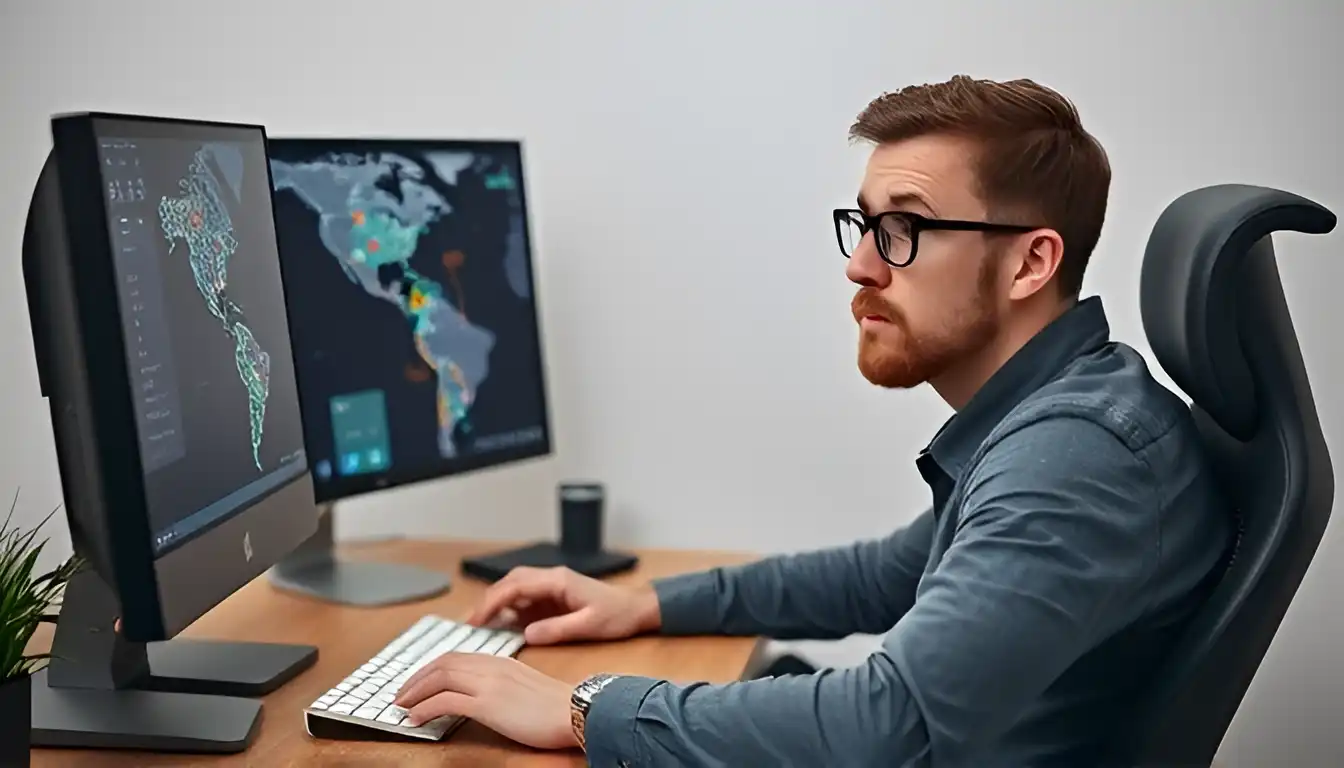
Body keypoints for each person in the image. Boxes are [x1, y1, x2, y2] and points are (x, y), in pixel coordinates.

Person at [392, 75, 1231, 766]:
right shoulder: (1056, 421)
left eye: (902, 229)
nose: (860, 265)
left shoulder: (1079, 457)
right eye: (863, 224)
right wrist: (641, 604)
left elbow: (881, 725)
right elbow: (886, 575)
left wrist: (586, 708)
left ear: (1031, 262)